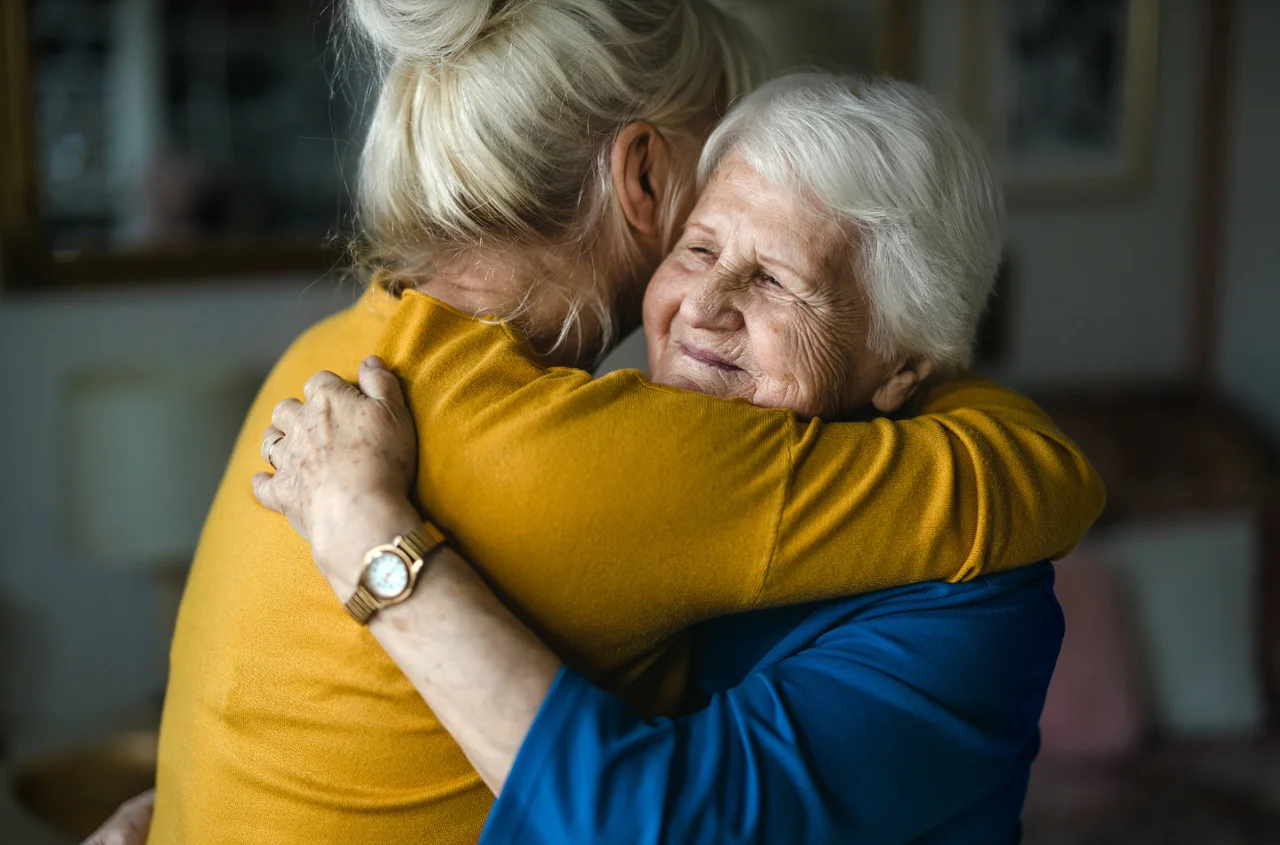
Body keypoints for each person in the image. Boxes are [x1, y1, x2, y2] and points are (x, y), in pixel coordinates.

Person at [133, 2, 1102, 842]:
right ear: (644, 181)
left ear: (901, 365)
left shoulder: (322, 359)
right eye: (698, 240)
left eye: (774, 278)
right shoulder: (605, 456)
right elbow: (1030, 476)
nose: (706, 303)